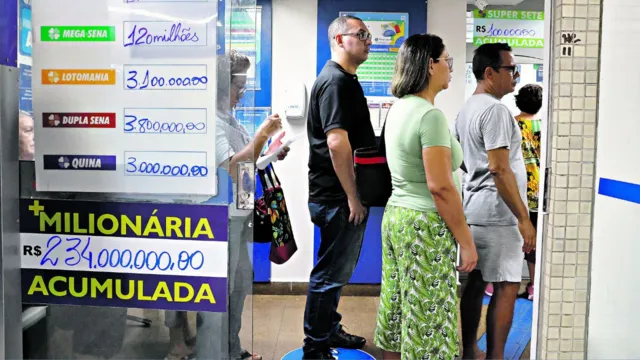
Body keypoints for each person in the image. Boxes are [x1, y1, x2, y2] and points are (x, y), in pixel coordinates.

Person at [163, 49, 289, 360]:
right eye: (239, 86)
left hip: (239, 215)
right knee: (220, 296)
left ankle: (231, 351)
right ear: (221, 85)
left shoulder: (227, 118)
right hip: (219, 219)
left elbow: (248, 160)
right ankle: (212, 354)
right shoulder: (208, 121)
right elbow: (232, 166)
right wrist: (261, 135)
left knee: (237, 290)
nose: (242, 93)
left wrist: (269, 151)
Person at [373, 33, 478, 360]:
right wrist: (466, 240)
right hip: (425, 226)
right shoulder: (429, 116)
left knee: (399, 306)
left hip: (398, 217)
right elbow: (441, 186)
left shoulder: (401, 107)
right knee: (429, 322)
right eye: (447, 61)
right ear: (430, 65)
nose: (450, 68)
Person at [455, 43, 536, 360]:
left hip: (475, 211)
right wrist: (523, 217)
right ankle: (496, 357)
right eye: (511, 69)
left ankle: (469, 350)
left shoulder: (467, 109)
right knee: (505, 286)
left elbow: (461, 158)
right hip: (501, 216)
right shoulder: (496, 111)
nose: (516, 75)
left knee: (475, 282)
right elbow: (500, 168)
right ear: (489, 73)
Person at [303, 14, 375, 360]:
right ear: (338, 40)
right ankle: (315, 347)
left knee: (336, 271)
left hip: (339, 195)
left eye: (368, 34)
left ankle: (329, 329)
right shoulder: (334, 82)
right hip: (336, 197)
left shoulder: (346, 79)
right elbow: (336, 143)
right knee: (329, 275)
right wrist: (352, 197)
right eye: (360, 34)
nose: (368, 39)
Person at [514, 83, 543, 301]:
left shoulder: (513, 124)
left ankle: (496, 283)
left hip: (516, 188)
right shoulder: (543, 126)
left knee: (511, 236)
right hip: (539, 189)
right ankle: (534, 285)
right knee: (533, 238)